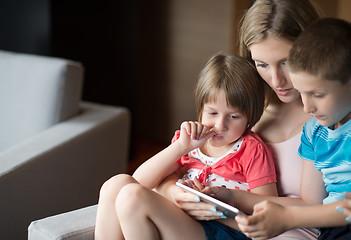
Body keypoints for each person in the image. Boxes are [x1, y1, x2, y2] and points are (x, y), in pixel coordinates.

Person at [156, 0, 321, 239]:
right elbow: (183, 164)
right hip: (223, 224)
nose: (276, 80)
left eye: (286, 62)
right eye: (262, 64)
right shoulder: (239, 107)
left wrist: (233, 198)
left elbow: (315, 209)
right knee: (123, 191)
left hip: (287, 231)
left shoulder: (327, 116)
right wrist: (174, 192)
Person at [94, 53, 278, 240]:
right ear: (200, 109)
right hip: (183, 219)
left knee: (133, 197)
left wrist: (216, 208)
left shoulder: (252, 150)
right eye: (212, 113)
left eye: (234, 116)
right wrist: (181, 146)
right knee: (115, 185)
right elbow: (139, 180)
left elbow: (268, 209)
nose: (220, 125)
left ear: (249, 118)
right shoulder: (190, 141)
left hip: (225, 230)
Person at [236, 17, 351, 240]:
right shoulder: (314, 132)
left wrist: (288, 218)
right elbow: (318, 204)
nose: (307, 107)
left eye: (317, 94)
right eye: (302, 92)